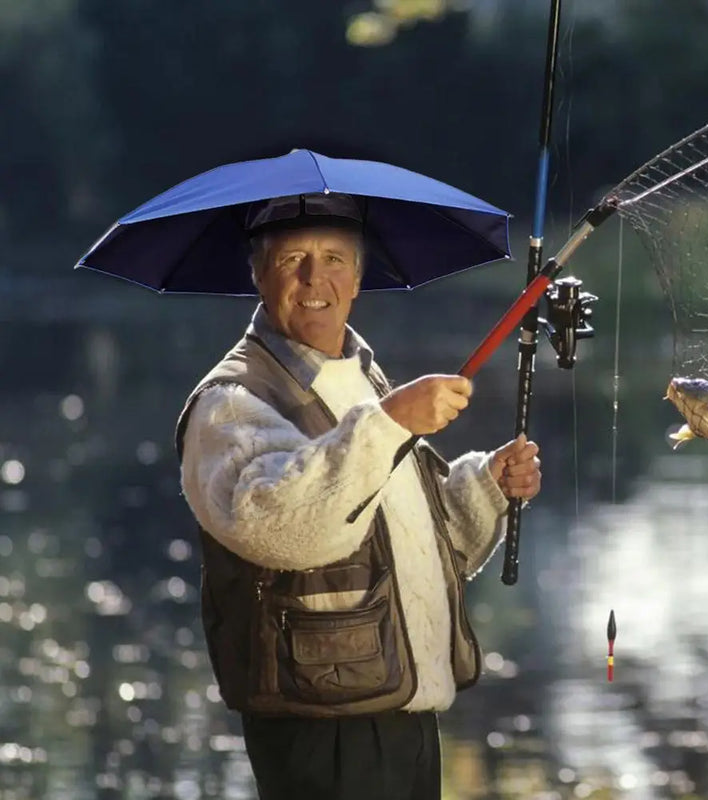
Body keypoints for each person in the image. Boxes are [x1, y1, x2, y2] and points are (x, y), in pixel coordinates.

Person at [176, 192, 541, 800]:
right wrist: (391, 420)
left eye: (335, 258)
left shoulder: (364, 379)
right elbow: (284, 526)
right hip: (320, 725)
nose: (315, 278)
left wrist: (486, 486)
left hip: (402, 710)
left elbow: (414, 540)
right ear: (257, 273)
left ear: (359, 275)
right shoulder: (230, 402)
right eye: (293, 258)